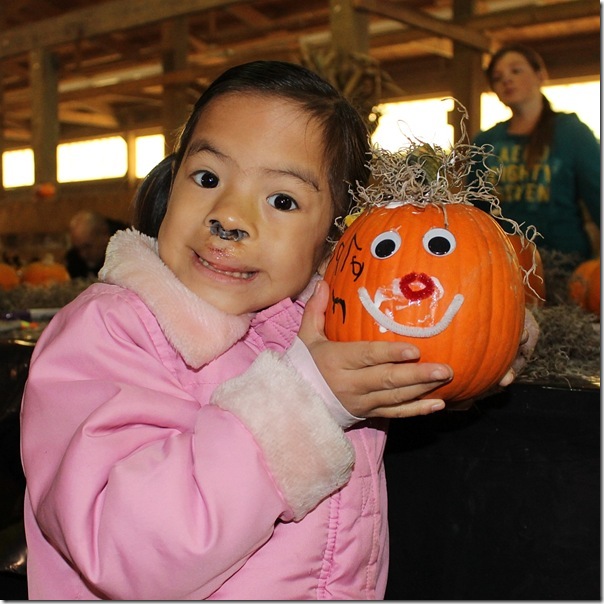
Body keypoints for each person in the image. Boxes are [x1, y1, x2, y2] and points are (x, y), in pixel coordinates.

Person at [20, 60, 525, 600]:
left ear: (333, 239)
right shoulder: (109, 333)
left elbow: (430, 352)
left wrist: (490, 334)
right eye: (208, 177)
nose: (230, 216)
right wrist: (306, 402)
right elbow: (119, 548)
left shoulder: (324, 327)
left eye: (282, 200)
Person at [468, 44, 600, 261]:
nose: (506, 80)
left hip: (563, 262)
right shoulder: (485, 142)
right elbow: (476, 212)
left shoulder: (572, 133)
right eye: (497, 77)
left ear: (540, 75)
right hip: (505, 262)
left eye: (516, 70)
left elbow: (598, 197)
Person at [65, 210, 127, 278]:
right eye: (78, 249)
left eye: (87, 247)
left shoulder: (126, 253)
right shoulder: (75, 260)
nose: (83, 255)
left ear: (104, 234)